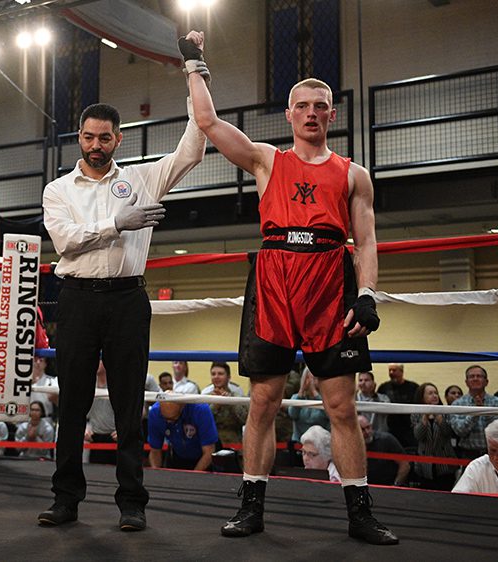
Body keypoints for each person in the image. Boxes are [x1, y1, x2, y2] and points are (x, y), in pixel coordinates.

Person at [182, 30, 397, 544]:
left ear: (331, 114)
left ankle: (360, 513)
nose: (310, 114)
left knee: (342, 407)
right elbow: (208, 122)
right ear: (289, 115)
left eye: (319, 106)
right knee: (263, 402)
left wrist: (367, 294)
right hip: (274, 279)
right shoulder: (266, 160)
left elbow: (365, 242)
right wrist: (193, 62)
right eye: (301, 106)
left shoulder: (353, 175)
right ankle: (251, 507)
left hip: (330, 281)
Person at [39, 72, 206, 531]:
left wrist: (195, 78)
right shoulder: (58, 189)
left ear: (118, 139)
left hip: (128, 298)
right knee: (73, 404)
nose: (96, 145)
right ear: (80, 137)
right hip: (75, 299)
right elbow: (67, 242)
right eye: (89, 137)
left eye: (105, 138)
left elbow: (192, 150)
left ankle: (132, 502)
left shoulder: (140, 178)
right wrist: (118, 223)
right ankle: (65, 499)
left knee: (130, 404)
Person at [147, 396, 219, 472]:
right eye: (165, 418)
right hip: (179, 455)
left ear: (182, 407)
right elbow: (155, 450)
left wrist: (192, 478)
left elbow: (209, 451)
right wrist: (156, 474)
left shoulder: (200, 409)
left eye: (172, 418)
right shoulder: (155, 412)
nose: (169, 422)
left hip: (205, 456)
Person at [449, 365, 498, 459]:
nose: (475, 379)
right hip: (468, 455)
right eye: (472, 376)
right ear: (466, 382)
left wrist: (485, 412)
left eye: (479, 376)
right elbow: (460, 431)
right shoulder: (457, 404)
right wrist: (475, 413)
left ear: (486, 382)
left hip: (495, 454)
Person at [410, 383, 457, 491]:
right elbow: (418, 436)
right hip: (424, 465)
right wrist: (425, 416)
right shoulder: (416, 413)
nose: (435, 395)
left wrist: (438, 417)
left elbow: (448, 432)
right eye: (430, 393)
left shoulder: (445, 412)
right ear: (422, 397)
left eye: (436, 393)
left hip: (445, 464)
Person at [358, 415, 410, 486]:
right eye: (362, 429)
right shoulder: (351, 445)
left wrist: (396, 485)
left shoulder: (386, 440)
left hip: (388, 485)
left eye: (368, 427)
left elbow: (405, 464)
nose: (367, 432)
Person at [376, 364, 418, 449]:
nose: (391, 373)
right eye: (390, 370)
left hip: (409, 429)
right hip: (390, 429)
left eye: (394, 370)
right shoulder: (384, 388)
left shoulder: (413, 387)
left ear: (401, 371)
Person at [287, 368, 331, 441]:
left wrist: (315, 393)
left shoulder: (327, 399)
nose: (310, 382)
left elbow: (328, 415)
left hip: (322, 442)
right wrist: (301, 392)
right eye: (306, 378)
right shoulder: (296, 397)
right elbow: (292, 414)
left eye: (313, 379)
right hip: (299, 442)